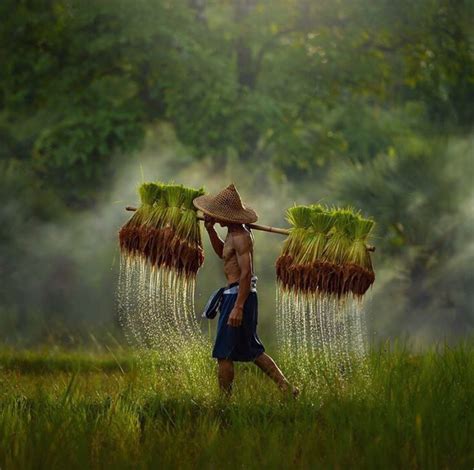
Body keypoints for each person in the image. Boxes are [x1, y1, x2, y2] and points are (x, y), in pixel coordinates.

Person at [193, 184, 298, 397]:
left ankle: (224, 402)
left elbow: (246, 273)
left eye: (219, 216)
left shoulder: (241, 236)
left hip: (239, 296)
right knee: (252, 350)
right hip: (238, 295)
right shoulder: (232, 234)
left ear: (229, 215)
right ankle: (288, 389)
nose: (216, 217)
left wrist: (238, 307)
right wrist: (211, 230)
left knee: (223, 353)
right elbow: (223, 253)